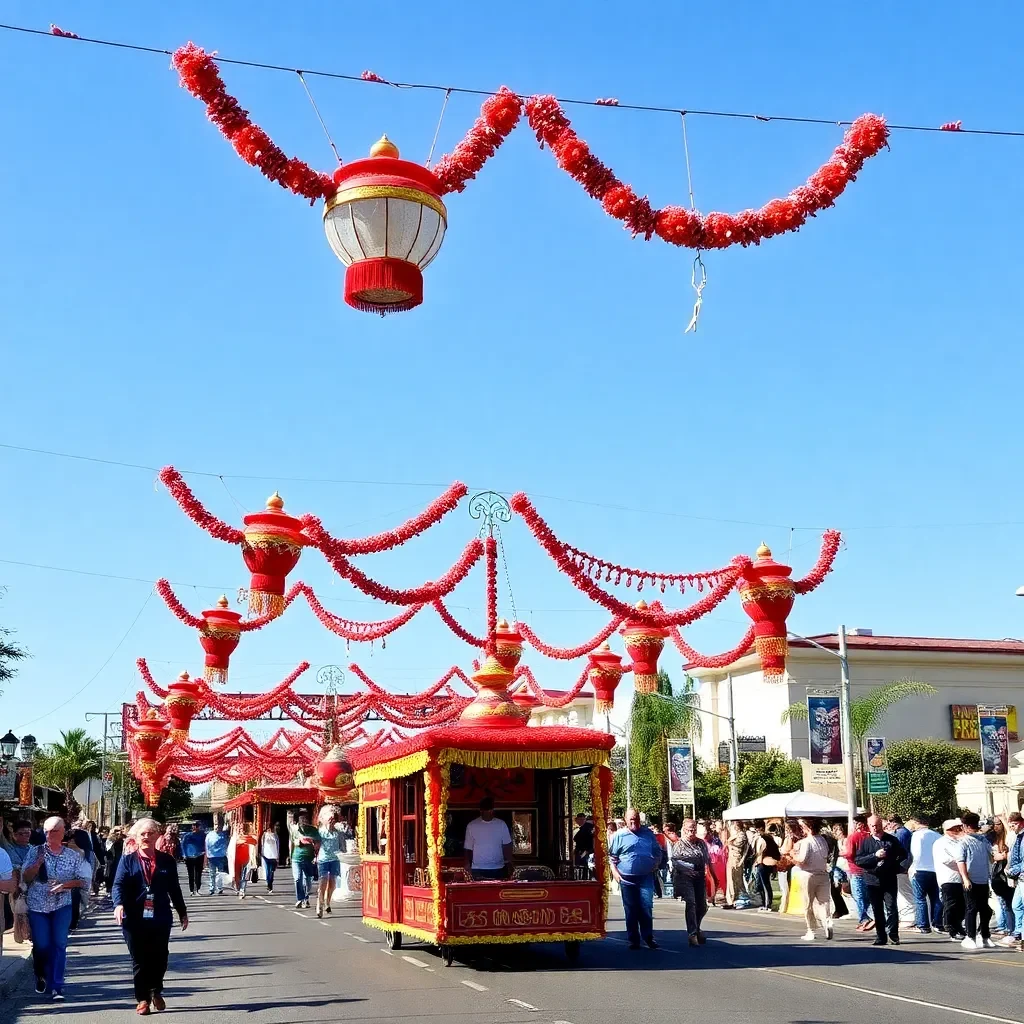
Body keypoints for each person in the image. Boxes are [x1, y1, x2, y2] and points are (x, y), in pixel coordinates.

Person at [112, 818, 188, 1016]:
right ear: (136, 838)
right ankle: (143, 999)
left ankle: (156, 990)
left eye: (150, 833)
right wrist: (119, 905)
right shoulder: (127, 861)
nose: (146, 837)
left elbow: (175, 889)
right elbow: (118, 885)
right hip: (134, 917)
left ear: (157, 836)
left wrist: (182, 912)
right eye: (142, 834)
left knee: (160, 956)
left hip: (160, 915)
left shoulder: (167, 861)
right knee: (139, 958)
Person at [22, 816, 87, 1000]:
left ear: (63, 832)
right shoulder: (35, 852)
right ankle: (40, 973)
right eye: (47, 832)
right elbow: (25, 878)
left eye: (54, 831)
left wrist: (65, 885)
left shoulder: (73, 855)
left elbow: (82, 881)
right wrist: (37, 865)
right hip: (38, 906)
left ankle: (57, 985)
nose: (50, 835)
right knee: (42, 945)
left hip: (62, 905)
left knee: (59, 944)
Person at [608, 808, 665, 950]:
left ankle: (648, 937)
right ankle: (634, 939)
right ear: (625, 820)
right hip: (626, 879)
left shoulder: (648, 834)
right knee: (631, 909)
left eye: (636, 819)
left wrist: (655, 864)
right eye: (631, 819)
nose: (634, 822)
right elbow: (612, 857)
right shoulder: (619, 836)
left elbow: (658, 851)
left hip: (645, 877)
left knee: (646, 907)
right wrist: (614, 872)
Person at [853, 814, 908, 946]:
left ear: (882, 825)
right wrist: (874, 856)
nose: (875, 828)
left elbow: (903, 855)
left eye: (877, 825)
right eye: (872, 826)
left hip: (889, 879)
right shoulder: (866, 842)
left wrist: (898, 867)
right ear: (868, 826)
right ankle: (880, 936)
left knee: (891, 907)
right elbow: (859, 860)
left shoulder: (892, 840)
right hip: (872, 880)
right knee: (877, 909)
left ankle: (894, 935)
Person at [956, 811, 994, 950]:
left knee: (985, 909)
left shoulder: (983, 840)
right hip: (971, 880)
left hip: (983, 879)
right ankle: (970, 936)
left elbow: (992, 854)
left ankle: (984, 935)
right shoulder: (963, 842)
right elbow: (960, 861)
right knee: (971, 908)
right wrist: (965, 878)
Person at [792, 818, 833, 941]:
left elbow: (802, 860)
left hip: (808, 874)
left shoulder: (806, 842)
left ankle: (811, 930)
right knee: (824, 901)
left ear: (807, 828)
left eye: (802, 827)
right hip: (823, 873)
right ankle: (827, 921)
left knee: (807, 904)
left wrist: (793, 855)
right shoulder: (823, 841)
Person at [669, 818, 709, 945]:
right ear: (684, 830)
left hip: (700, 876)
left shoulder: (701, 843)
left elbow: (707, 860)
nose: (691, 832)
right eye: (689, 830)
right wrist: (687, 869)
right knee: (691, 903)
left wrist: (713, 876)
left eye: (694, 830)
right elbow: (675, 861)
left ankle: (697, 928)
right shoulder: (679, 844)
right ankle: (692, 934)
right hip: (685, 877)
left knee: (702, 906)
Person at [907, 816, 943, 934]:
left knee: (920, 898)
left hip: (920, 869)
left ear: (917, 822)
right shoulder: (937, 835)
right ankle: (937, 922)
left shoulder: (917, 835)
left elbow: (915, 853)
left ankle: (923, 925)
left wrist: (912, 868)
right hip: (935, 870)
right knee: (936, 898)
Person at [463, 797, 513, 882]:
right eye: (486, 811)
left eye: (490, 810)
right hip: (478, 869)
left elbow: (507, 846)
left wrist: (510, 863)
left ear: (493, 810)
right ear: (481, 811)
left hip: (498, 868)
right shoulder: (472, 826)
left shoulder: (501, 824)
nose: (489, 813)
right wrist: (467, 864)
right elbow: (468, 848)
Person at [934, 818, 966, 941]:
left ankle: (958, 925)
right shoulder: (941, 843)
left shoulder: (960, 841)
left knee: (962, 905)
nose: (958, 830)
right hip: (948, 877)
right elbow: (946, 860)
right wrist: (961, 863)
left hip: (961, 877)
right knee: (951, 904)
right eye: (955, 829)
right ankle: (951, 928)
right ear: (948, 830)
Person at [843, 813, 873, 932]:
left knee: (858, 896)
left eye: (854, 823)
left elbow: (850, 853)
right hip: (869, 869)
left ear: (859, 824)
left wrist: (842, 853)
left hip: (856, 869)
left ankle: (864, 919)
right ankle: (869, 916)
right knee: (868, 896)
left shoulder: (853, 837)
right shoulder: (870, 836)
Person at [315, 805, 346, 917]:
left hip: (335, 859)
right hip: (323, 859)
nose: (331, 821)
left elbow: (343, 845)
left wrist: (344, 852)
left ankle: (327, 901)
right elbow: (316, 844)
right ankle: (319, 903)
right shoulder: (320, 832)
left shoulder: (338, 832)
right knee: (323, 881)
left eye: (333, 820)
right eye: (329, 819)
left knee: (332, 882)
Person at [988, 816, 1013, 937]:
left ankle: (1009, 929)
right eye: (994, 824)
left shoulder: (1007, 837)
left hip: (1005, 874)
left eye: (998, 824)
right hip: (997, 873)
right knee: (1002, 902)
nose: (995, 827)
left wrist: (1004, 819)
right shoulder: (993, 837)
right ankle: (1004, 926)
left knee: (1008, 903)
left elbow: (1010, 836)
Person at [289, 811, 320, 908]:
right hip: (296, 858)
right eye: (301, 819)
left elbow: (318, 843)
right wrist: (290, 856)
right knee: (297, 878)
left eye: (305, 819)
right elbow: (292, 843)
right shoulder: (294, 830)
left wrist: (312, 844)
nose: (303, 821)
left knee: (308, 879)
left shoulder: (313, 830)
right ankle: (300, 899)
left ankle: (306, 898)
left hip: (309, 857)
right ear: (298, 821)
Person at [1005, 812, 1024, 949]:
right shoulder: (1019, 836)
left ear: (1020, 823)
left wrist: (1013, 870)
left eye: (1013, 825)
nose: (1012, 828)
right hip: (1020, 877)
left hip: (1021, 874)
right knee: (1016, 905)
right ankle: (1019, 933)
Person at [753, 820, 780, 912]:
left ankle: (767, 904)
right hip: (767, 863)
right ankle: (765, 903)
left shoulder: (762, 838)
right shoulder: (769, 838)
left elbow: (760, 852)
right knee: (763, 884)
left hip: (763, 863)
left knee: (764, 884)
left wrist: (758, 862)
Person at [723, 820, 749, 909]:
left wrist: (730, 841)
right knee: (731, 880)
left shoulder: (741, 835)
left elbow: (737, 844)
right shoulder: (736, 835)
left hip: (736, 859)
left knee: (736, 880)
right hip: (732, 858)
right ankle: (731, 900)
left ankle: (737, 899)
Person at [180, 822, 206, 896]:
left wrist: (205, 853)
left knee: (198, 873)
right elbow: (183, 845)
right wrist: (184, 854)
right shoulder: (187, 836)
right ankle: (191, 890)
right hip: (189, 856)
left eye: (197, 826)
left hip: (200, 855)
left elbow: (205, 844)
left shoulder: (203, 835)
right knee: (191, 874)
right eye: (194, 826)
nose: (195, 828)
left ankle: (197, 889)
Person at [205, 822, 230, 896]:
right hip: (211, 857)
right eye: (216, 826)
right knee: (212, 874)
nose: (217, 827)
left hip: (221, 857)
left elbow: (227, 844)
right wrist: (206, 857)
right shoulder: (209, 835)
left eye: (219, 826)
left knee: (220, 874)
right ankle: (212, 889)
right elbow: (206, 846)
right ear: (214, 826)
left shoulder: (223, 835)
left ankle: (220, 888)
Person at [573, 813, 595, 879]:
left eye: (582, 819)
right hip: (583, 851)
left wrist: (586, 851)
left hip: (585, 852)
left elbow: (587, 840)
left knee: (584, 868)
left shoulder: (587, 828)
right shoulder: (583, 828)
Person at [106, 827, 125, 898]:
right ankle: (109, 889)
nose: (118, 833)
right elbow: (108, 849)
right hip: (111, 860)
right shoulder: (110, 840)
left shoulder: (123, 841)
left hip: (119, 859)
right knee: (110, 874)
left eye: (120, 831)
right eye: (116, 831)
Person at [260, 822, 279, 893]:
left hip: (274, 855)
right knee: (267, 871)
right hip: (266, 855)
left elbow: (278, 845)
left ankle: (270, 883)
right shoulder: (264, 835)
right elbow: (262, 845)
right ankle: (268, 884)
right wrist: (261, 853)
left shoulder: (275, 836)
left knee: (272, 871)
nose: (270, 830)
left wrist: (278, 855)